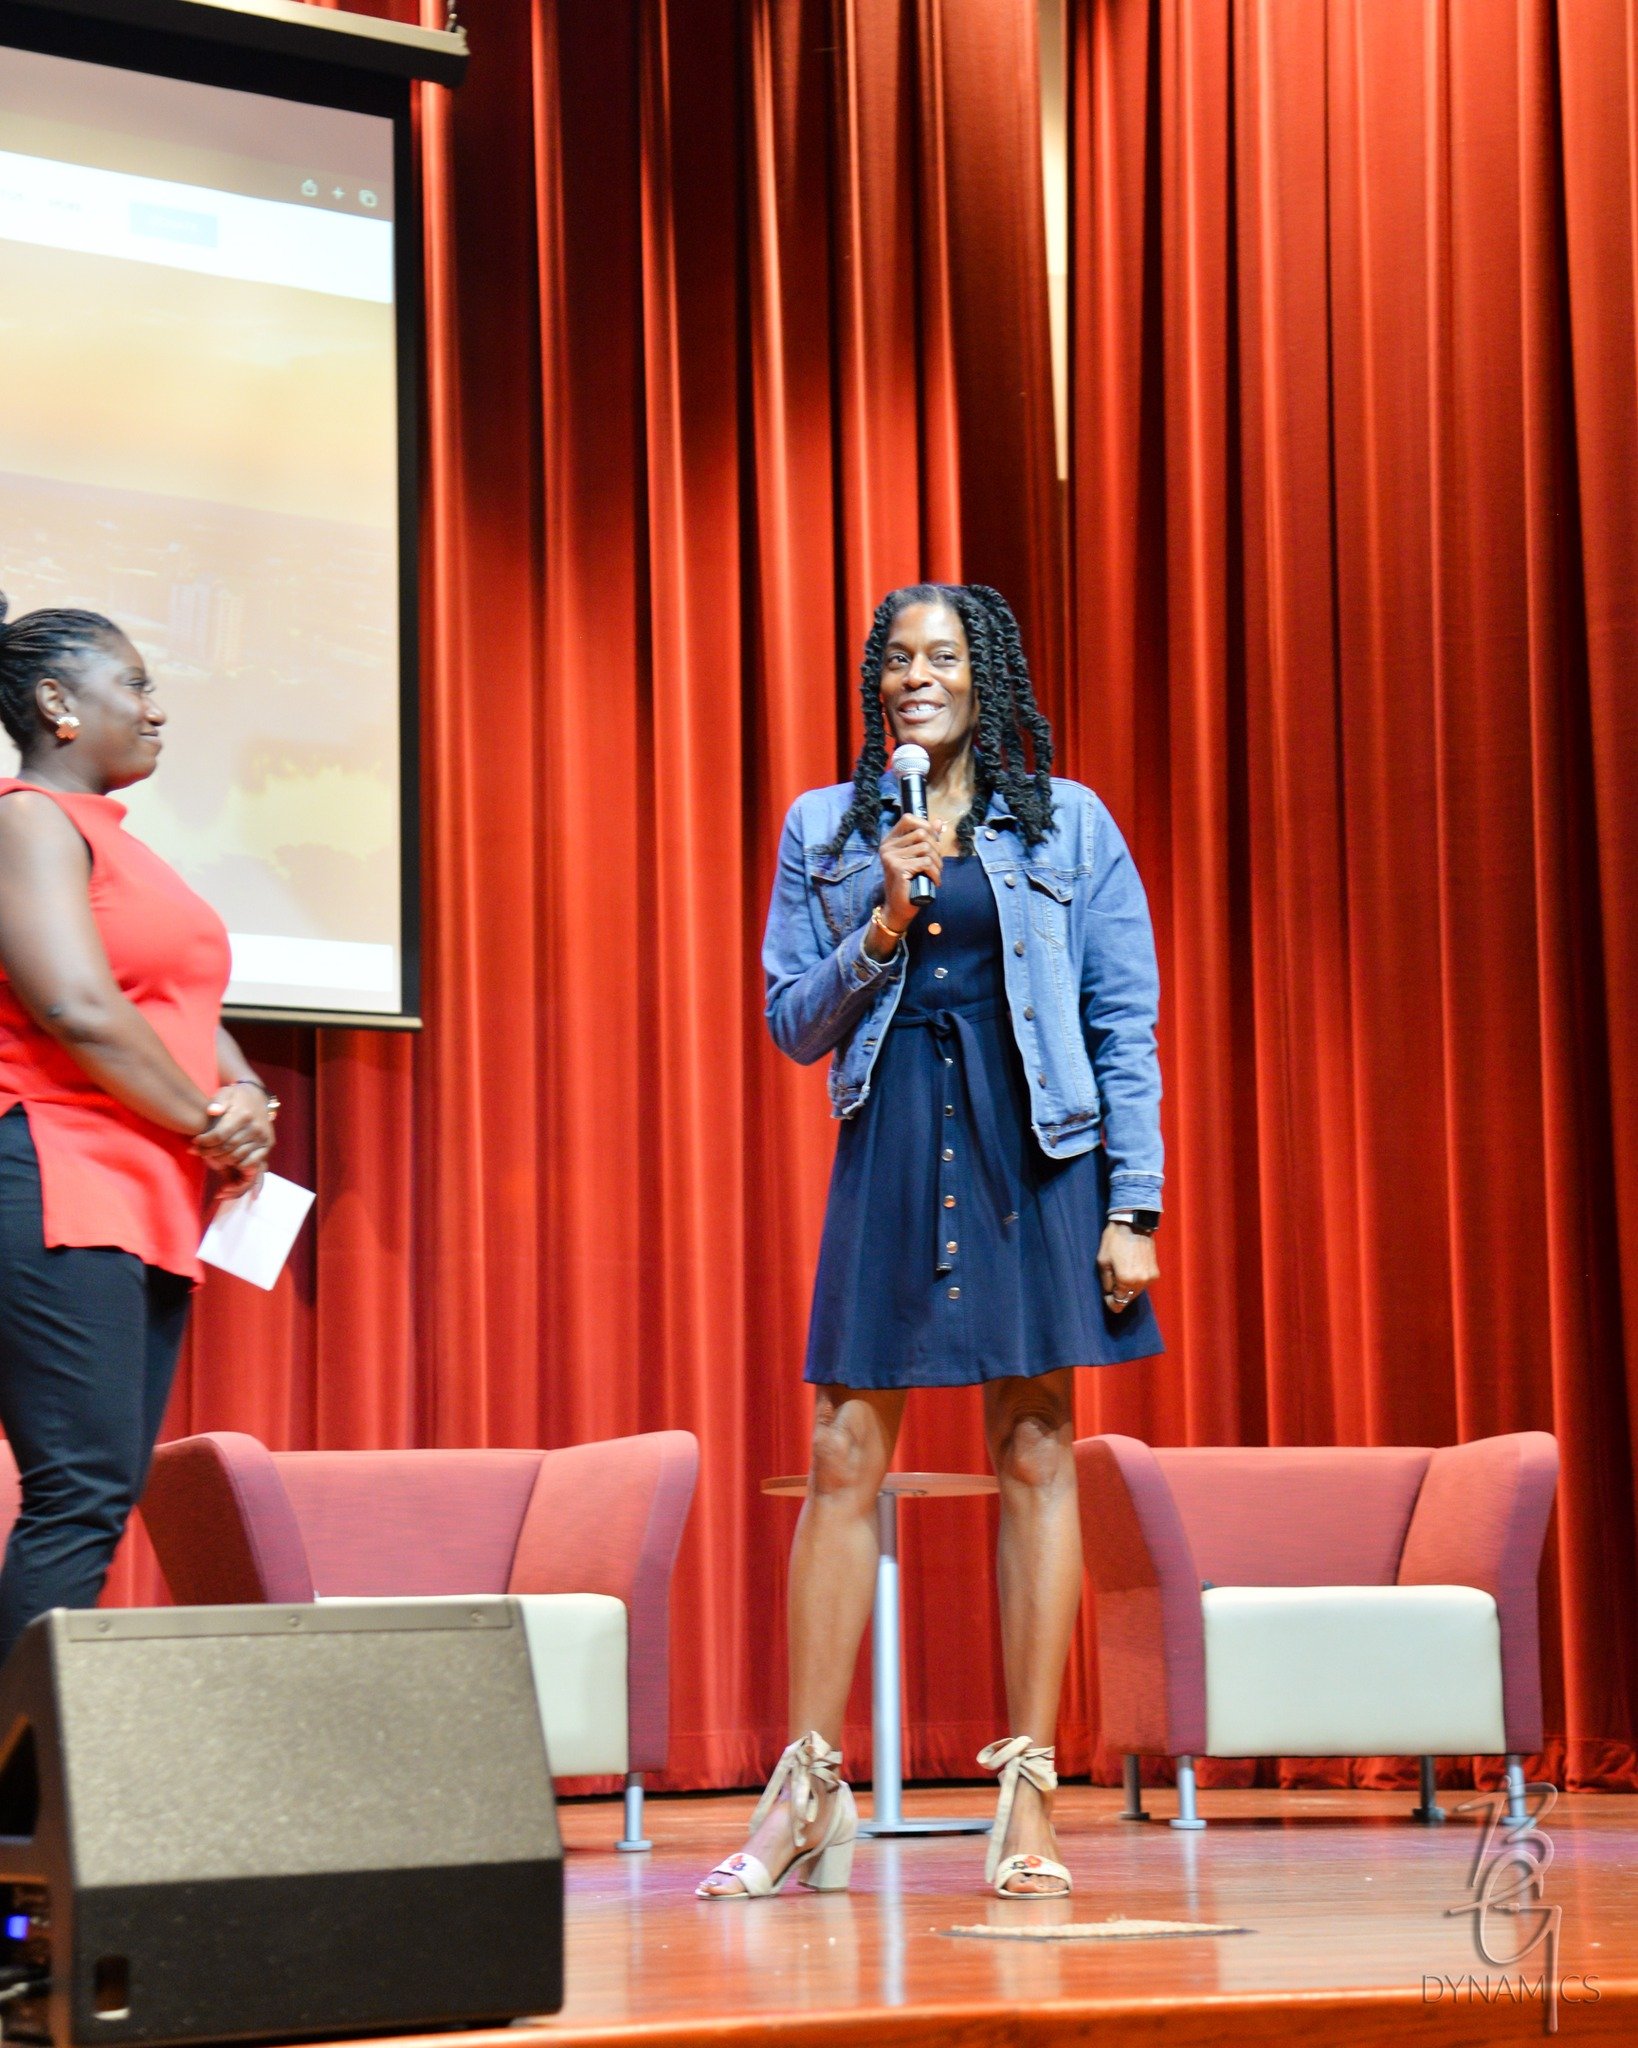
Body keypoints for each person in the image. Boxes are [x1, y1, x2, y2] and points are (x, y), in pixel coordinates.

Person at [698, 583, 1163, 1902]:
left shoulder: (1067, 824)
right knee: (841, 1448)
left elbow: (1121, 1019)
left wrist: (1134, 1205)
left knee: (1032, 1446)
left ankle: (1024, 1798)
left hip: (1037, 1147)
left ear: (985, 676)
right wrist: (885, 919)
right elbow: (792, 1022)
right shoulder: (825, 828)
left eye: (942, 656)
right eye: (896, 658)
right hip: (893, 1136)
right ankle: (804, 1792)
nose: (916, 676)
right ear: (874, 684)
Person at [0, 595, 276, 1661]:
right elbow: (77, 1006)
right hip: (60, 1180)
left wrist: (246, 1093)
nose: (158, 709)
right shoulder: (28, 819)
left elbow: (186, 1012)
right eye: (138, 685)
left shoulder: (126, 849)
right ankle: (27, 1797)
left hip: (139, 1201)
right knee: (81, 1495)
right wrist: (210, 1123)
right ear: (58, 702)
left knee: (94, 1493)